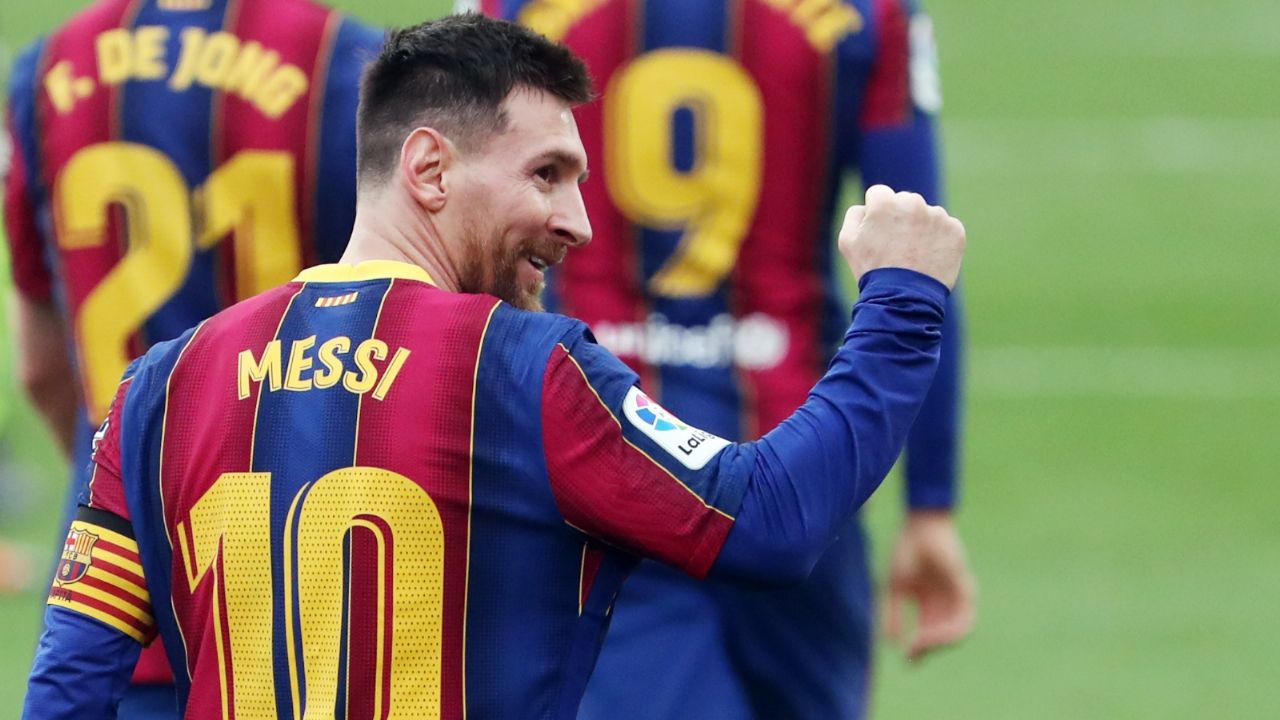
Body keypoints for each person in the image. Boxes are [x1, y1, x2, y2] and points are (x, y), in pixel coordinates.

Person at [22, 13, 965, 719]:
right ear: (429, 169)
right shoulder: (522, 372)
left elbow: (68, 688)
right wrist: (901, 303)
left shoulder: (155, 392)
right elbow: (771, 520)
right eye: (546, 175)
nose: (578, 222)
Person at [470, 0, 976, 715]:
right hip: (805, 466)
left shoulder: (509, 9)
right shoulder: (873, 12)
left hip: (603, 460)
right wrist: (931, 505)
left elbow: (464, 227)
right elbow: (920, 241)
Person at [3, 0, 382, 714]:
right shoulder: (344, 58)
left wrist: (121, 477)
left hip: (115, 601)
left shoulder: (49, 67)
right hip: (315, 591)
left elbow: (41, 368)